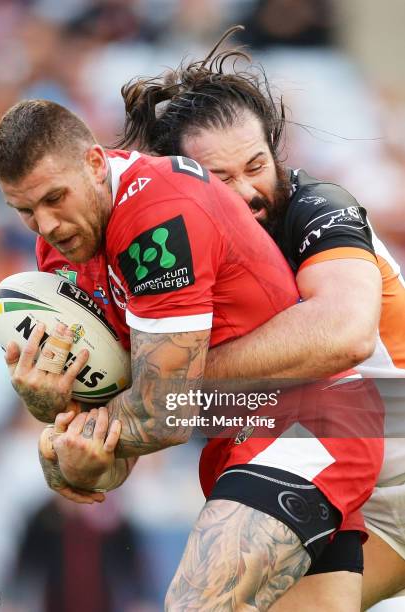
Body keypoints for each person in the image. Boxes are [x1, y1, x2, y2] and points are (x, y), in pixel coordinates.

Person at [0, 98, 383, 611]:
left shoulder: (155, 215)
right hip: (236, 445)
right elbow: (109, 460)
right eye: (25, 211)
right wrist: (62, 437)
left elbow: (160, 415)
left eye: (55, 198)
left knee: (193, 604)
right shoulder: (63, 254)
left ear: (93, 162)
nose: (46, 226)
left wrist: (81, 437)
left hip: (313, 423)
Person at [115, 27, 405, 611]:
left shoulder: (320, 207)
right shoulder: (162, 261)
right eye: (219, 180)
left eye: (256, 165)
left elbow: (344, 335)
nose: (247, 191)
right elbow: (153, 417)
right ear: (178, 183)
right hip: (328, 468)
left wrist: (173, 378)